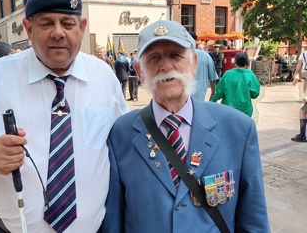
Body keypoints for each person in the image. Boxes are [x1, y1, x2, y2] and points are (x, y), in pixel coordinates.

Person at [0, 0, 128, 232]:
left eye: (67, 23)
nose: (58, 33)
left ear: (81, 27)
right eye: (46, 23)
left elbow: (123, 143)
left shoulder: (104, 77)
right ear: (29, 28)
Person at [101, 20, 269, 232]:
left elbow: (254, 219)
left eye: (175, 55)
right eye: (154, 58)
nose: (165, 66)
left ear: (194, 63)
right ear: (139, 71)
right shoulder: (121, 133)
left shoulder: (238, 129)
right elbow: (114, 220)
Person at [211, 52, 260, 117]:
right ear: (247, 62)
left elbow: (219, 92)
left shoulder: (227, 74)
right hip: (245, 111)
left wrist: (213, 100)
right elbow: (255, 94)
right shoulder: (251, 75)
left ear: (235, 61)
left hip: (228, 110)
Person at [189, 32, 218, 101]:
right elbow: (213, 78)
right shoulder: (205, 56)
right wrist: (213, 93)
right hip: (199, 98)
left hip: (180, 99)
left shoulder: (177, 56)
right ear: (195, 41)